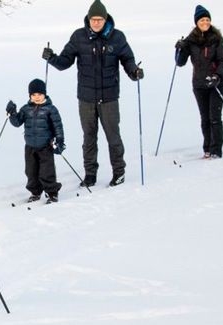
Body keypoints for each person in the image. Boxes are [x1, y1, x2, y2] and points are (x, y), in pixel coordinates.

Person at [42, 0, 142, 188]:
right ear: (88, 19)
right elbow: (65, 62)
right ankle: (90, 174)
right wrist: (52, 58)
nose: (96, 23)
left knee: (113, 137)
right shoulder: (79, 37)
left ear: (105, 19)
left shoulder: (117, 37)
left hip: (109, 98)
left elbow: (128, 59)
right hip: (86, 99)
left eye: (99, 19)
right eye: (93, 19)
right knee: (89, 138)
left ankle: (119, 173)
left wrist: (134, 72)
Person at [175, 5, 223, 159]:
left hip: (216, 83)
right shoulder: (191, 40)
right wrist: (179, 49)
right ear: (196, 22)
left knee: (215, 117)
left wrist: (217, 76)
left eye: (207, 19)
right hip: (199, 84)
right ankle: (207, 149)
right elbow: (180, 62)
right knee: (205, 118)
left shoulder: (216, 38)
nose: (205, 22)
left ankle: (216, 150)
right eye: (202, 20)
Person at [5, 78, 65, 204]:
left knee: (46, 171)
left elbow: (58, 126)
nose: (37, 97)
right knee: (31, 171)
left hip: (45, 146)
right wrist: (12, 113)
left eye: (39, 94)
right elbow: (17, 123)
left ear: (45, 94)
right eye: (33, 95)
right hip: (30, 146)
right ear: (30, 95)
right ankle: (35, 192)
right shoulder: (26, 109)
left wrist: (59, 140)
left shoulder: (51, 109)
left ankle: (52, 193)